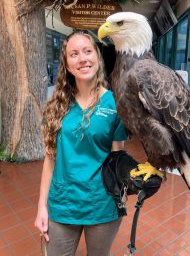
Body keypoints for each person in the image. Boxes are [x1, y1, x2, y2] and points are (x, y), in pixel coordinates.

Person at [34, 32, 128, 256]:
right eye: (73, 54)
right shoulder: (56, 105)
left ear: (97, 56)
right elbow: (50, 158)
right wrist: (41, 207)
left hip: (102, 205)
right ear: (66, 64)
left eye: (87, 51)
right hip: (62, 204)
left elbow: (117, 157)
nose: (82, 59)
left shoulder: (115, 104)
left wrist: (128, 187)